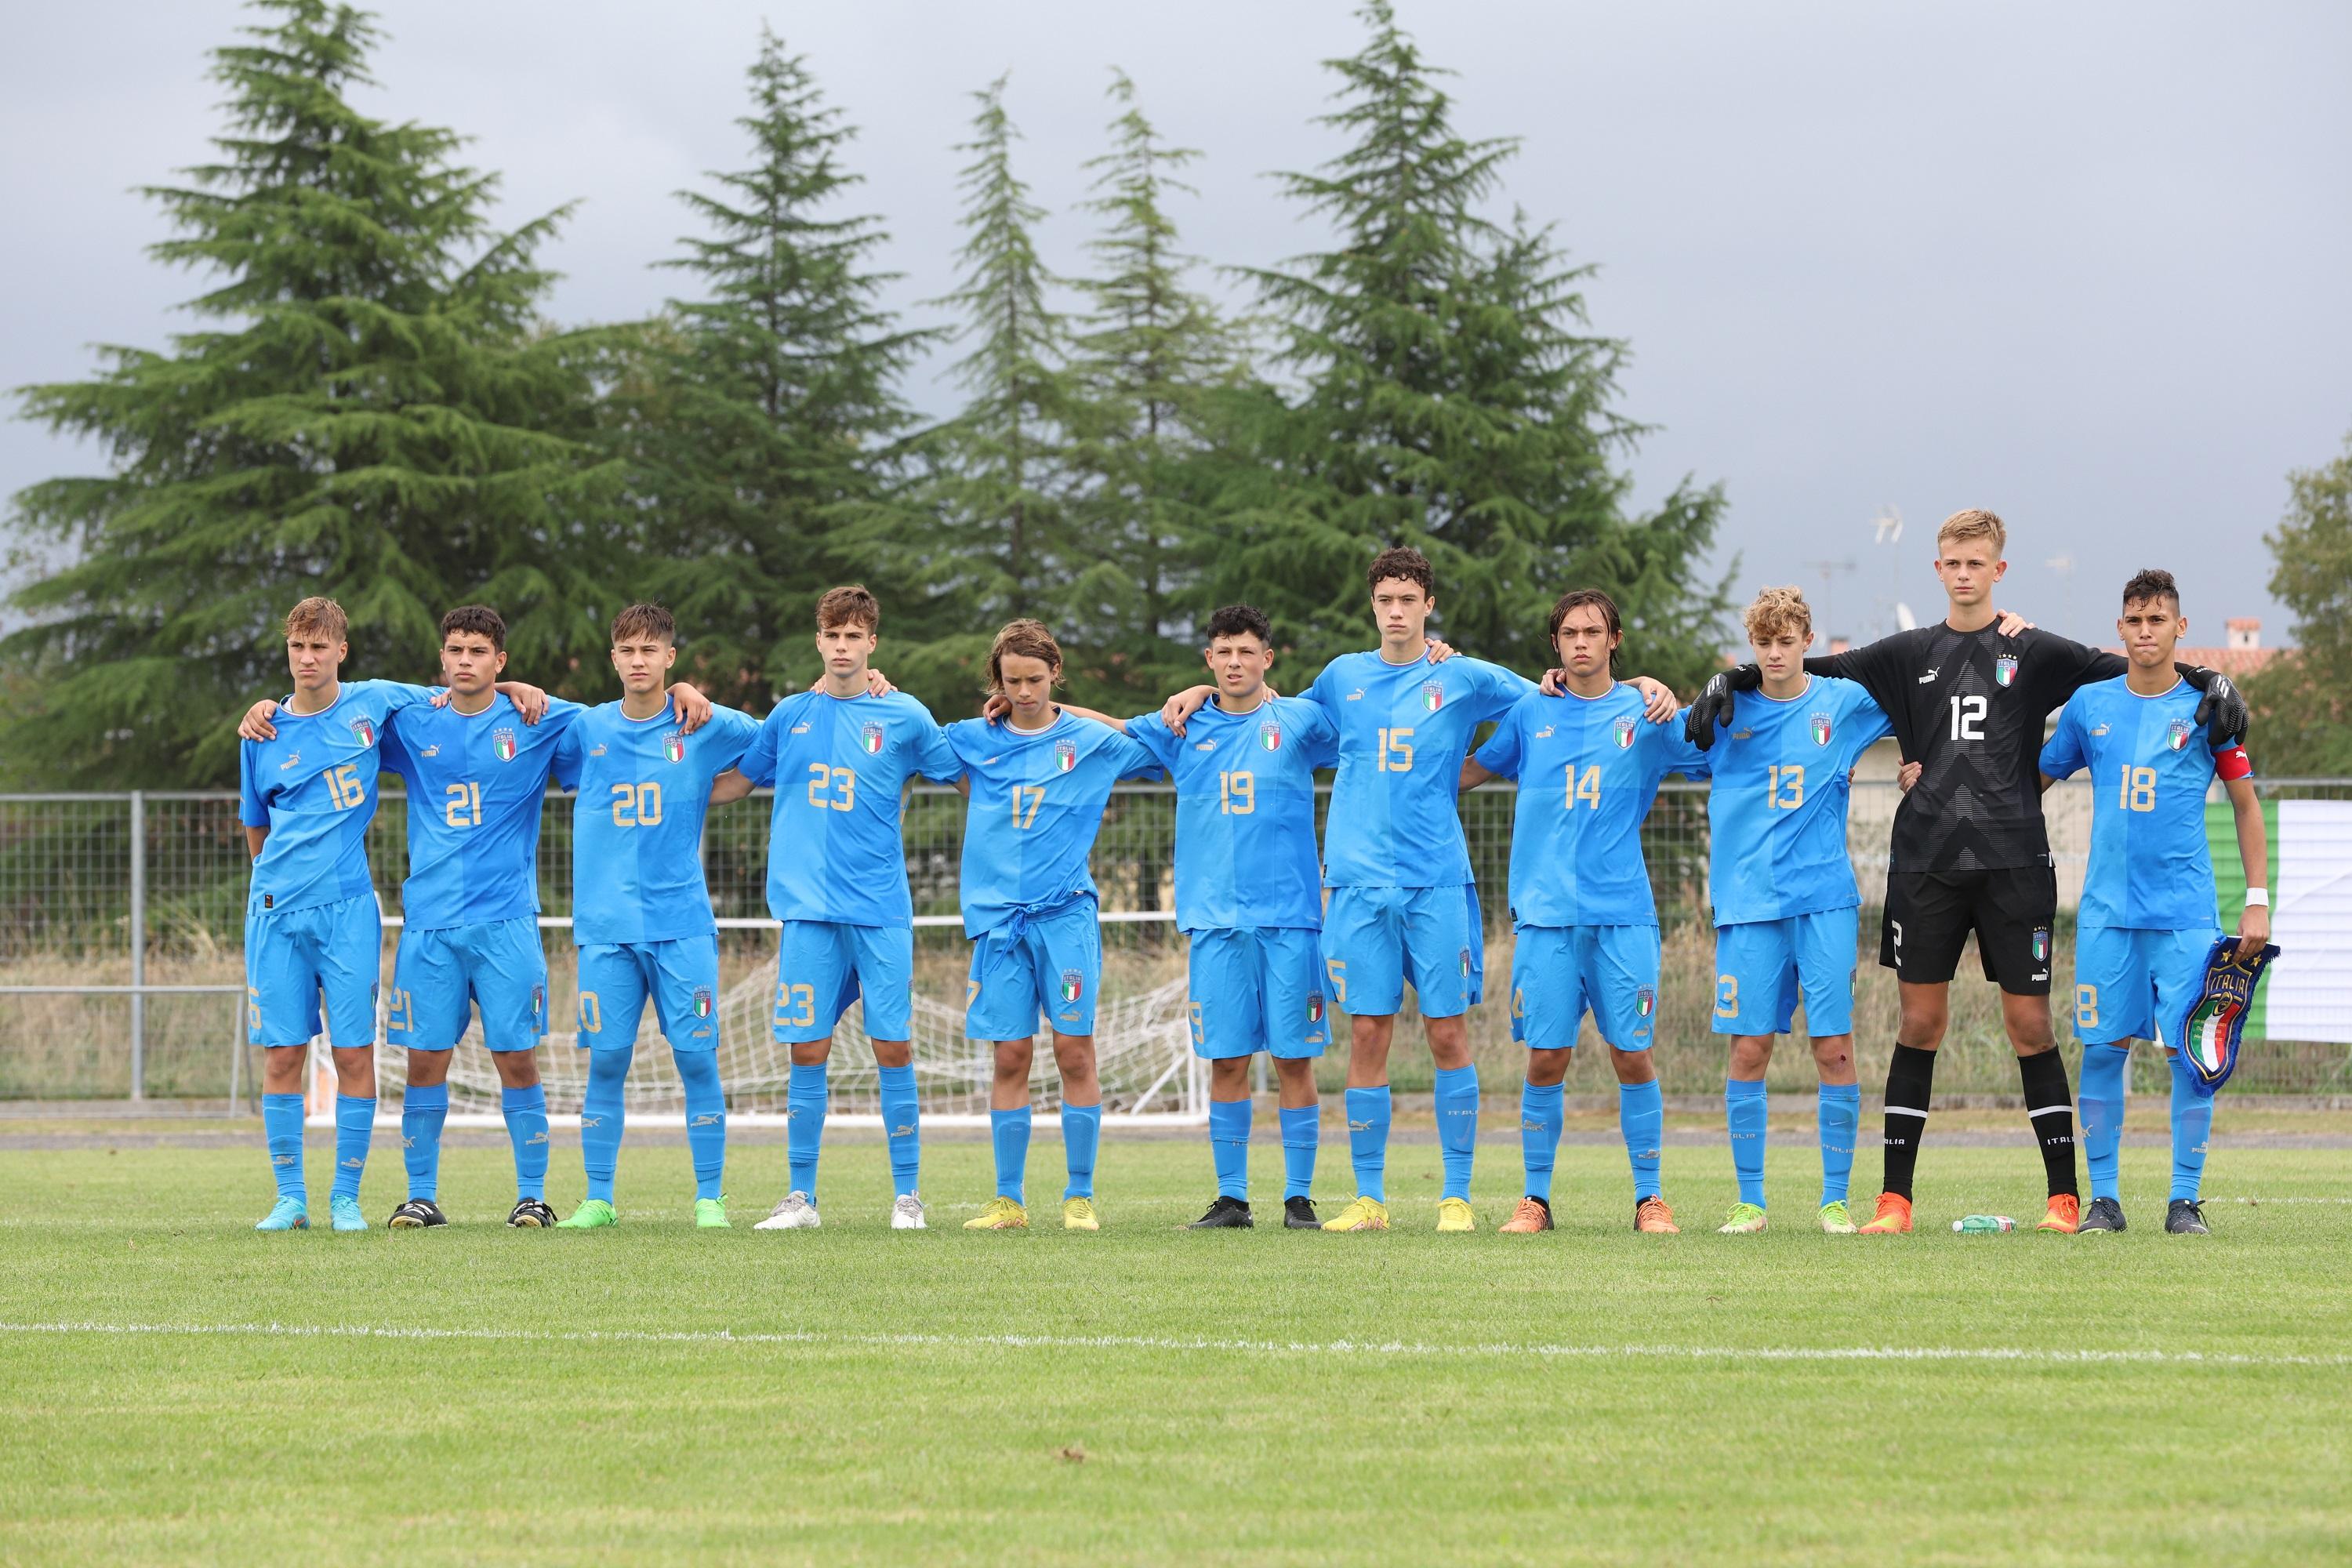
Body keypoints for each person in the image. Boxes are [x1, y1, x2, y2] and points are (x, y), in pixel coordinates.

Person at [1681, 508, 2249, 1234]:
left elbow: (2135, 666)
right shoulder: (1905, 652)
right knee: (1919, 1024)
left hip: (2015, 865)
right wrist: (1730, 676)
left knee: (2030, 1026)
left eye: (1977, 563)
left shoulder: (2035, 649)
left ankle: (2065, 1199)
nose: (1964, 574)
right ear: (1938, 568)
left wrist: (2211, 676)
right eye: (1952, 563)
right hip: (1926, 866)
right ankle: (1894, 1202)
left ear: (1999, 569)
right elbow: (1802, 666)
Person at [1166, 547, 1672, 1233]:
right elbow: (1269, 717)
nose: (1396, 611)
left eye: (1409, 600)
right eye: (1385, 601)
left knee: (1447, 1035)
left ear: (1428, 604)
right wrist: (1200, 695)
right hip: (1357, 884)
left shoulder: (1462, 675)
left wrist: (1641, 682)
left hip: (1437, 882)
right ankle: (1370, 1200)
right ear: (1372, 606)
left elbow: (1561, 694)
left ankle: (1455, 1198)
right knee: (1367, 1036)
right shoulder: (1341, 678)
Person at [1044, 604, 1342, 1229]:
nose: (1235, 663)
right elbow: (1115, 732)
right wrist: (1040, 709)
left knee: (1294, 1060)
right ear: (1209, 659)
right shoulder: (1184, 728)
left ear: (1268, 658)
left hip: (1291, 919)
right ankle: (1232, 1198)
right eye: (1222, 653)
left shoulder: (1301, 721)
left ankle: (1299, 1199)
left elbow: (1365, 730)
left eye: (1246, 652)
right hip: (1214, 922)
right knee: (1227, 1060)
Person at [720, 586, 961, 1232]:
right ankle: (801, 1199)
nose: (843, 646)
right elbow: (739, 781)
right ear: (818, 640)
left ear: (872, 643)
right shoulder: (789, 714)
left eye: (855, 636)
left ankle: (907, 1197)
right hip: (806, 911)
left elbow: (965, 773)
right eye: (833, 635)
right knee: (806, 1049)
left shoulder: (905, 715)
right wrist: (664, 790)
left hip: (880, 910)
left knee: (893, 1046)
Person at [1461, 589, 1700, 1236]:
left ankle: (1650, 1199)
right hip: (1543, 918)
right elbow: (1466, 774)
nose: (1580, 643)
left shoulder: (1648, 712)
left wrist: (1673, 694)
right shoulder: (1530, 713)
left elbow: (1725, 753)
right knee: (1545, 1059)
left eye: (1593, 632)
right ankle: (1535, 1200)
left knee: (1633, 1055)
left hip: (1622, 915)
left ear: (1614, 639)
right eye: (1569, 634)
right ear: (1557, 644)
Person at [2037, 568, 2267, 1236]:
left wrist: (2256, 901)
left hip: (2186, 915)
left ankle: (2184, 1201)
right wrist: (1948, 789)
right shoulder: (2088, 706)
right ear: (2120, 628)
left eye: (2157, 620)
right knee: (2104, 1050)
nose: (2145, 632)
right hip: (2107, 914)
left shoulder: (2207, 709)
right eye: (2135, 621)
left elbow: (2247, 809)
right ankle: (2104, 1200)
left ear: (2179, 628)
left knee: (2189, 1053)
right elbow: (2033, 780)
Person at [548, 604, 760, 1231]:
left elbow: (775, 739)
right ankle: (599, 1199)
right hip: (606, 930)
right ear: (612, 658)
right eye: (627, 650)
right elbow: (514, 728)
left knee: (697, 1059)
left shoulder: (702, 725)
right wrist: (513, 685)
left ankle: (710, 1198)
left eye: (651, 650)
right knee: (606, 1061)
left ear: (670, 657)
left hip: (682, 925)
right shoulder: (583, 731)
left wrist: (703, 703)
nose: (638, 661)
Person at [1688, 587, 1891, 1235]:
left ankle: (1834, 1201)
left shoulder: (1846, 705)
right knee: (1749, 1051)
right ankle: (1751, 1201)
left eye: (1786, 641)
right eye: (1763, 643)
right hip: (1748, 907)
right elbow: (1651, 723)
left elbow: (1924, 700)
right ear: (1752, 647)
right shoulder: (1725, 711)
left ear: (1808, 641)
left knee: (1833, 1050)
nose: (1775, 654)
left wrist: (1915, 763)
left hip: (1825, 902)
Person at [952, 619, 1163, 1232]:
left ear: (1055, 676)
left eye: (1037, 680)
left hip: (1066, 917)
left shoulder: (1089, 741)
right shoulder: (972, 738)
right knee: (1011, 1056)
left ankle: (1079, 1196)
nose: (1024, 692)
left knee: (1074, 1052)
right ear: (997, 680)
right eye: (1013, 681)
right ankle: (1008, 1200)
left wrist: (1195, 695)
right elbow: (908, 741)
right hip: (1000, 925)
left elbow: (1157, 740)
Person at [235, 597, 438, 1232]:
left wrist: (514, 684)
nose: (307, 657)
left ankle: (344, 1199)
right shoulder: (262, 730)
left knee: (355, 1055)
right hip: (276, 914)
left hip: (348, 911)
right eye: (298, 646)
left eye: (319, 646)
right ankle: (290, 1198)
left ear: (341, 652)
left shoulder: (374, 702)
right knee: (282, 1055)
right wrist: (277, 886)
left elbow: (458, 693)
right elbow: (255, 826)